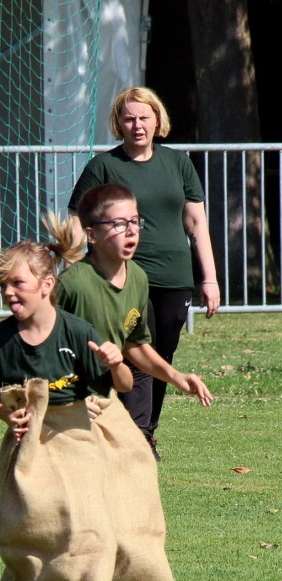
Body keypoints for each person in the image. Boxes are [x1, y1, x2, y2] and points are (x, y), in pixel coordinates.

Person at [0, 237, 181, 581]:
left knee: (93, 529)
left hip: (77, 434)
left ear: (47, 285)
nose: (9, 293)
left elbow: (117, 384)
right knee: (37, 528)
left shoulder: (76, 331)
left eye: (18, 283)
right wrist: (7, 417)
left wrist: (116, 361)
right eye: (4, 286)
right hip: (31, 441)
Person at [68, 86, 219, 461]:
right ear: (118, 123)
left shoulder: (178, 162)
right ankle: (130, 435)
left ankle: (144, 433)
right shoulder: (103, 166)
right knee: (133, 355)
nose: (137, 125)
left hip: (173, 275)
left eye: (144, 117)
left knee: (160, 359)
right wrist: (75, 267)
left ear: (157, 120)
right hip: (123, 277)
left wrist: (210, 278)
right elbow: (76, 220)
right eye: (129, 118)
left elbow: (196, 221)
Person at [55, 184, 213, 409]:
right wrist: (67, 397)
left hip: (102, 399)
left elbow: (134, 344)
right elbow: (40, 347)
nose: (131, 231)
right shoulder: (73, 284)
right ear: (91, 235)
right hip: (63, 402)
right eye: (118, 224)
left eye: (135, 221)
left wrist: (176, 376)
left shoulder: (138, 278)